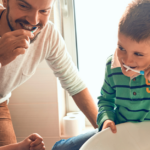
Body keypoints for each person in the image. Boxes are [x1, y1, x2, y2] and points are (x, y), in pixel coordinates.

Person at [52, 0, 150, 149]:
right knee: (61, 148)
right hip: (119, 129)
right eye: (121, 47)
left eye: (138, 54)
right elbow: (105, 100)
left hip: (145, 137)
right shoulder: (113, 66)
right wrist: (106, 119)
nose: (127, 60)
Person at [0, 0, 98, 147]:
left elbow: (75, 85)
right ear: (5, 2)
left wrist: (105, 130)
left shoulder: (48, 34)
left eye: (44, 11)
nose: (34, 20)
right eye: (24, 6)